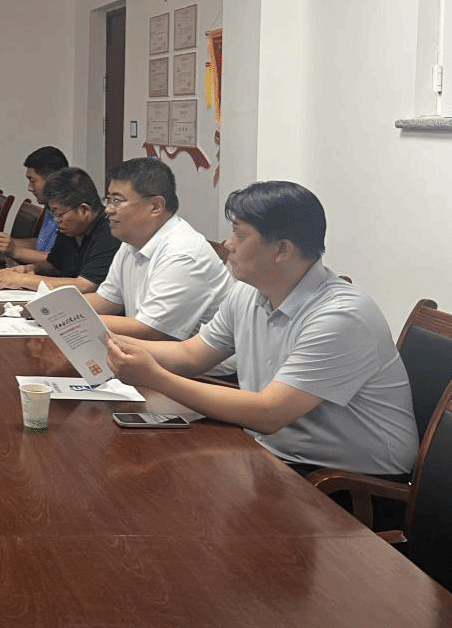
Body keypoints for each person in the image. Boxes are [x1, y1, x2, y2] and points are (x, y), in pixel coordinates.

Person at [105, 181, 418, 484]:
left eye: (240, 235)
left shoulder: (341, 317)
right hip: (277, 454)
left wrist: (155, 377)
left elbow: (269, 414)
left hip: (350, 483)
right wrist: (105, 338)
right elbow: (190, 355)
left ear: (282, 250)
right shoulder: (248, 292)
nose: (228, 245)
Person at [84, 157, 232, 345]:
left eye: (117, 200)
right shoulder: (132, 241)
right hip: (150, 352)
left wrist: (73, 320)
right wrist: (54, 310)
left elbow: (150, 331)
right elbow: (107, 300)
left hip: (199, 363)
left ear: (155, 206)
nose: (108, 209)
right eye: (109, 199)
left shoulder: (182, 253)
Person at [0, 167, 119, 292]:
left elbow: (86, 285)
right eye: (54, 214)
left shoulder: (110, 232)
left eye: (59, 213)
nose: (57, 220)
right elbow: (55, 264)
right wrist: (32, 269)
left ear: (83, 210)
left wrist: (23, 280)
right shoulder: (70, 228)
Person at [0, 146, 68, 267]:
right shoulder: (51, 205)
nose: (29, 188)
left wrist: (15, 251)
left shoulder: (71, 212)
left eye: (32, 181)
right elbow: (42, 244)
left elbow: (60, 260)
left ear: (53, 180)